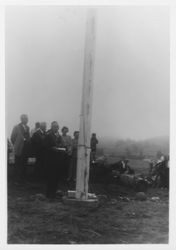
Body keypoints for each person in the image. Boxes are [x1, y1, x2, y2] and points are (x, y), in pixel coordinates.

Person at [44, 121, 65, 199]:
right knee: (50, 178)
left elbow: (62, 145)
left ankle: (54, 192)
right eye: (54, 127)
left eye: (57, 127)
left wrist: (62, 148)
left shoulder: (59, 136)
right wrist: (52, 148)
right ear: (51, 127)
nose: (56, 128)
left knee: (56, 177)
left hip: (58, 160)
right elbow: (45, 146)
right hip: (50, 160)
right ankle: (49, 194)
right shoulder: (48, 136)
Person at [10, 114, 30, 182]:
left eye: (27, 119)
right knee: (18, 164)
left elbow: (28, 137)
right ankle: (16, 179)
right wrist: (17, 144)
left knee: (24, 163)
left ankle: (23, 178)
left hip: (26, 148)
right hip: (19, 149)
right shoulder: (16, 127)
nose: (26, 120)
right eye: (25, 119)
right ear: (21, 119)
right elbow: (12, 137)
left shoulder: (28, 127)